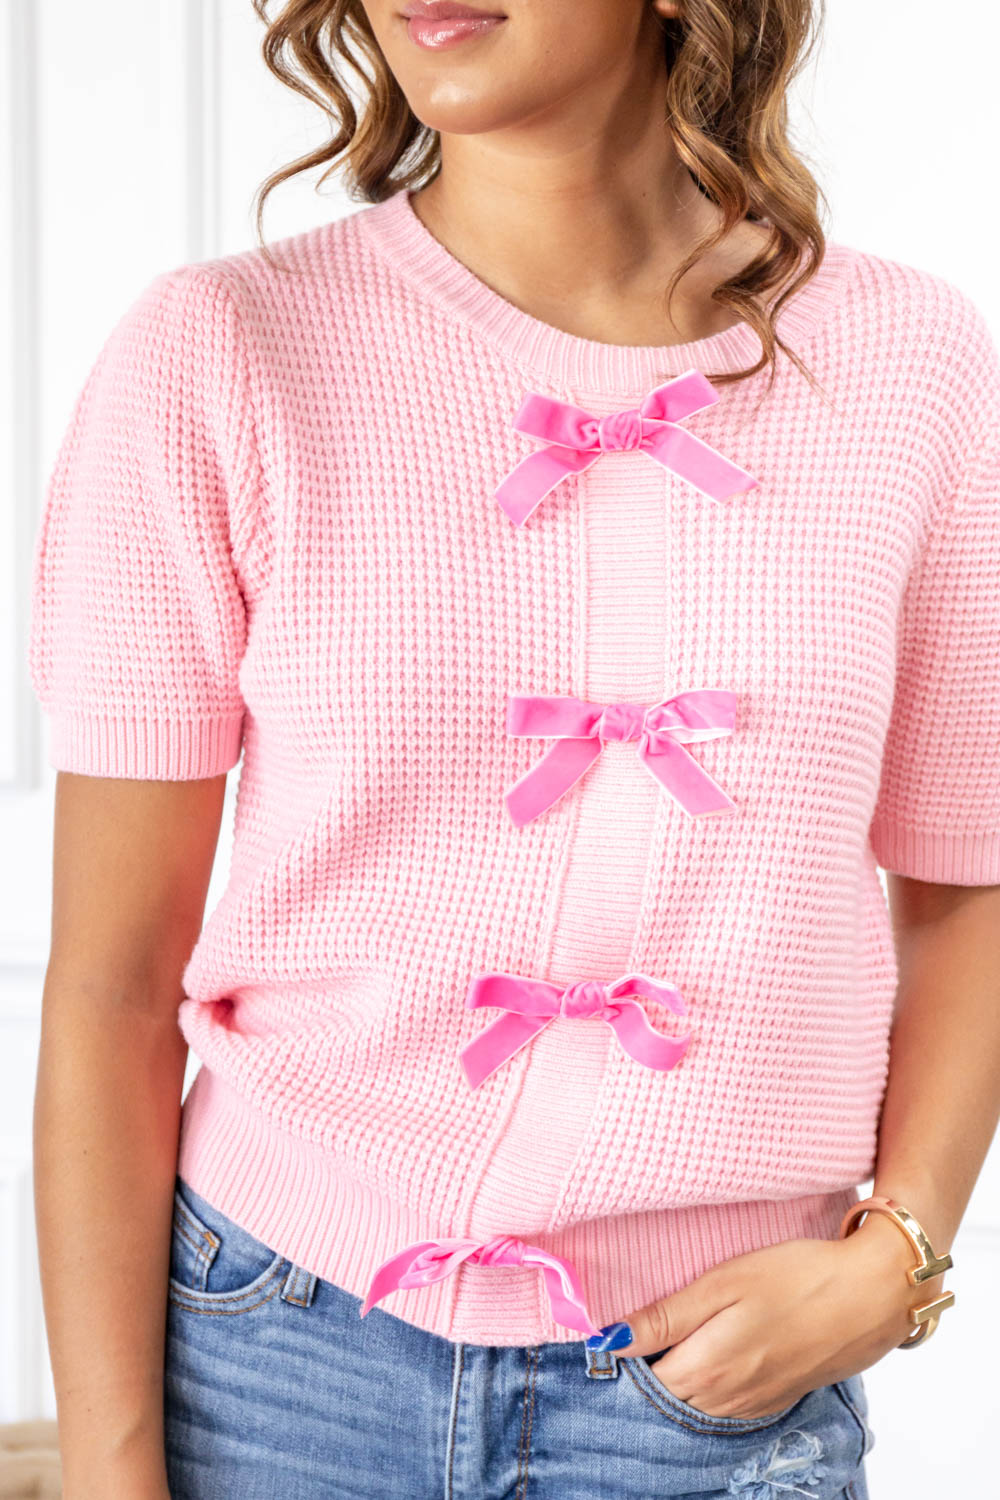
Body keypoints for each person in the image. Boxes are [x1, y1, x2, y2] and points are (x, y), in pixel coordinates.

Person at [26, 1, 1000, 1496]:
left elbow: (969, 878)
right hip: (278, 1358)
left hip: (715, 1385)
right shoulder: (226, 351)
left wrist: (902, 1252)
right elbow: (107, 987)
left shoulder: (909, 364)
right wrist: (110, 1476)